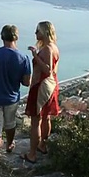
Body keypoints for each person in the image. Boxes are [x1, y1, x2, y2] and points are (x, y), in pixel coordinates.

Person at [0, 25, 32, 163]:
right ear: (16, 37)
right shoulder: (23, 58)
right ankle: (10, 145)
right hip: (12, 98)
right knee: (10, 124)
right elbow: (27, 82)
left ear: (2, 37)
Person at [22, 21, 60, 164]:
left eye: (37, 31)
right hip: (52, 85)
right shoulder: (54, 47)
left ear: (44, 32)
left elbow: (47, 69)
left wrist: (34, 55)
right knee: (46, 118)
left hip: (41, 86)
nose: (35, 33)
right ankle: (42, 145)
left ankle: (32, 154)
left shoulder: (48, 49)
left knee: (35, 121)